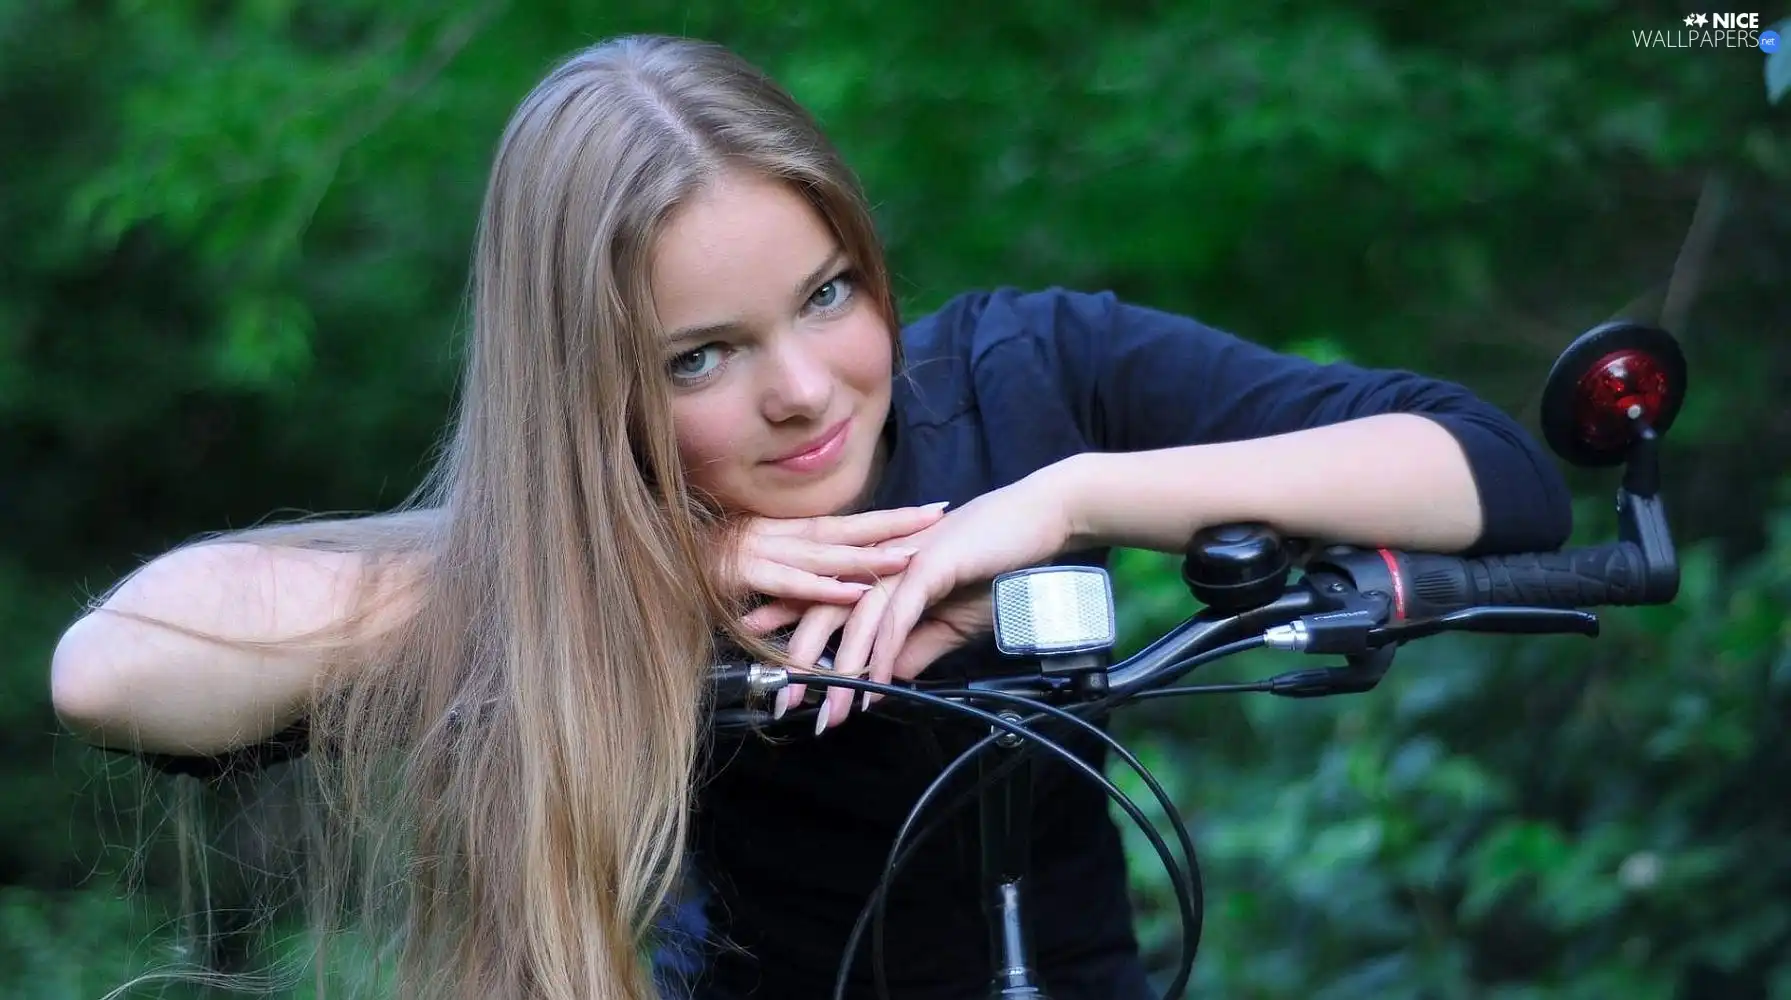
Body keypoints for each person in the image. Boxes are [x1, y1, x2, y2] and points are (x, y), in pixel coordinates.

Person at [48, 33, 1573, 1000]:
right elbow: (116, 671)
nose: (802, 391)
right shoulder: (617, 516)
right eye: (698, 358)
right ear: (594, 392)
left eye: (828, 295)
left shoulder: (1027, 373)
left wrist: (1074, 499)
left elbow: (1491, 473)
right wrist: (641, 567)